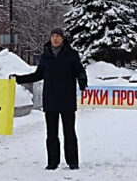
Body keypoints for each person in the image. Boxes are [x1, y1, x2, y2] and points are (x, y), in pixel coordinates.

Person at [11, 28, 88, 170]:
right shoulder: (45, 56)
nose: (55, 39)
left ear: (63, 38)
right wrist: (19, 79)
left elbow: (79, 70)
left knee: (69, 132)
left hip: (67, 100)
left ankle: (73, 162)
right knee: (51, 134)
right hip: (51, 100)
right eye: (53, 36)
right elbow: (37, 75)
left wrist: (82, 80)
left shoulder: (71, 54)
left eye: (58, 36)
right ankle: (53, 162)